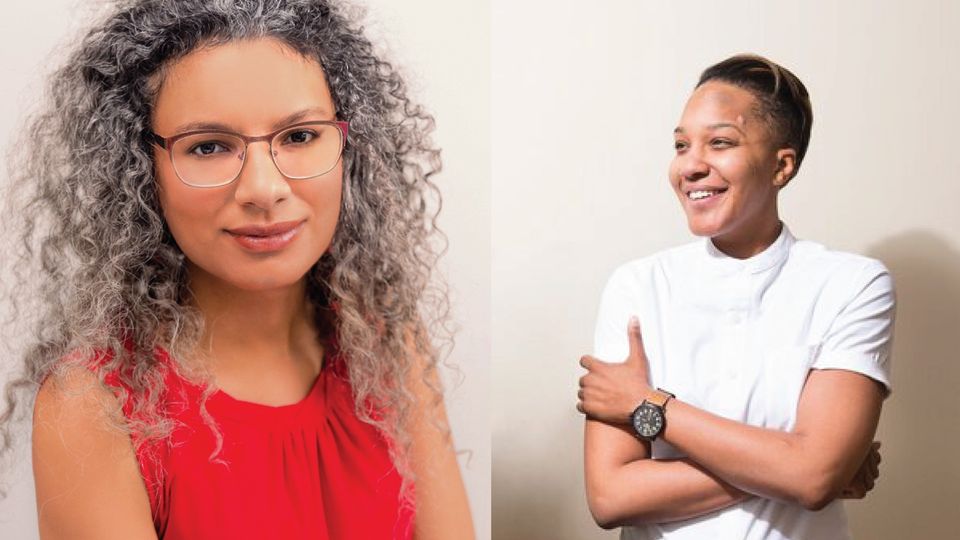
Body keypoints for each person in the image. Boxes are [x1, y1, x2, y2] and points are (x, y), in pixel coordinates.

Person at [0, 1, 473, 538]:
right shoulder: (93, 406)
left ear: (348, 144)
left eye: (299, 136)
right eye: (208, 146)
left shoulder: (388, 340)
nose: (264, 190)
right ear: (137, 168)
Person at [577, 54, 894, 540]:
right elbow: (611, 497)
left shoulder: (852, 284)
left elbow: (811, 477)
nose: (691, 165)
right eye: (681, 145)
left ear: (781, 165)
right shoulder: (637, 286)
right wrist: (796, 467)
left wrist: (649, 406)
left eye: (720, 142)